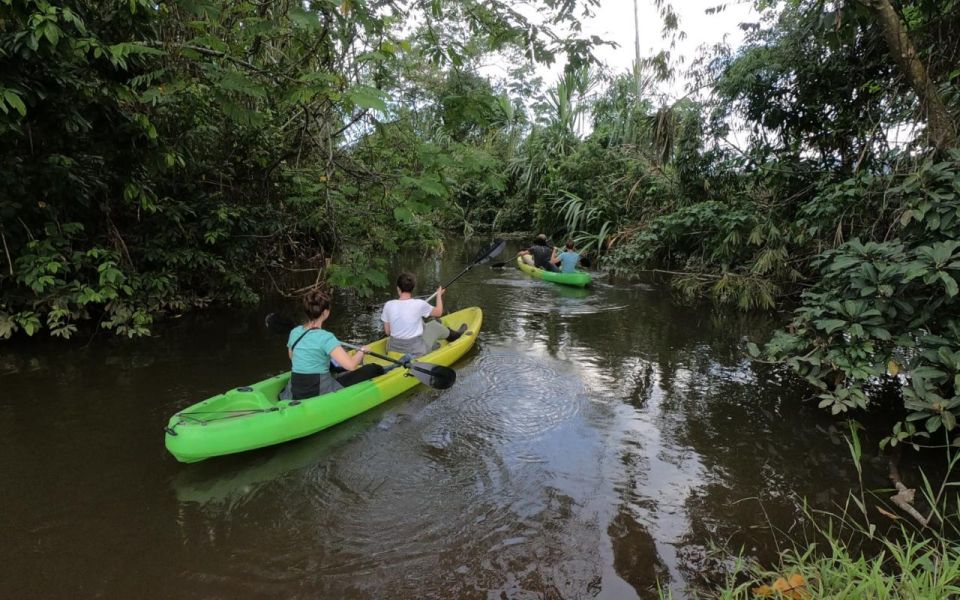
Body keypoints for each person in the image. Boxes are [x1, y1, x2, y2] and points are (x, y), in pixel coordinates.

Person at [286, 288, 383, 400]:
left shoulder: (295, 332)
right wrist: (362, 351)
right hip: (319, 390)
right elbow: (350, 366)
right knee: (373, 368)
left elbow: (292, 357)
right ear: (325, 312)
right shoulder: (327, 337)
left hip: (296, 388)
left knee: (334, 367)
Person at [381, 272, 467, 357]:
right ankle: (455, 335)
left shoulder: (388, 304)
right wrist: (439, 296)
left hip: (392, 347)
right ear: (413, 288)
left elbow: (388, 332)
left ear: (398, 288)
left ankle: (433, 345)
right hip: (415, 350)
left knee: (421, 322)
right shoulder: (419, 304)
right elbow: (439, 312)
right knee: (434, 325)